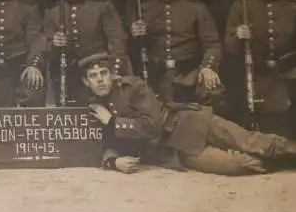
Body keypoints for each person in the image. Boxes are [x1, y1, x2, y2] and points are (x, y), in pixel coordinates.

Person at [81, 53, 296, 176]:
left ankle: (289, 152)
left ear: (112, 74)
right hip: (174, 148)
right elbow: (97, 143)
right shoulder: (92, 108)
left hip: (189, 122)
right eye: (93, 76)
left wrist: (112, 121)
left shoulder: (132, 86)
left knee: (250, 141)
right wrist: (113, 161)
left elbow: (153, 124)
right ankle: (284, 163)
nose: (100, 79)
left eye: (104, 73)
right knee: (237, 165)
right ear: (86, 82)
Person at [129, 0, 223, 108]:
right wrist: (135, 37)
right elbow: (132, 51)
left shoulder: (196, 8)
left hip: (188, 75)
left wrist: (208, 67)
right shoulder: (143, 9)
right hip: (153, 75)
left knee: (213, 91)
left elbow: (212, 44)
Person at [224, 0, 296, 138]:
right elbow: (228, 45)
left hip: (289, 74)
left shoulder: (293, 6)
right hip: (256, 73)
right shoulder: (242, 5)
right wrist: (238, 36)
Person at [44, 0, 129, 106]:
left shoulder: (102, 8)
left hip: (97, 76)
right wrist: (55, 44)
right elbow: (45, 45)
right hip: (67, 75)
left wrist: (115, 70)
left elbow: (117, 41)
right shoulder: (53, 11)